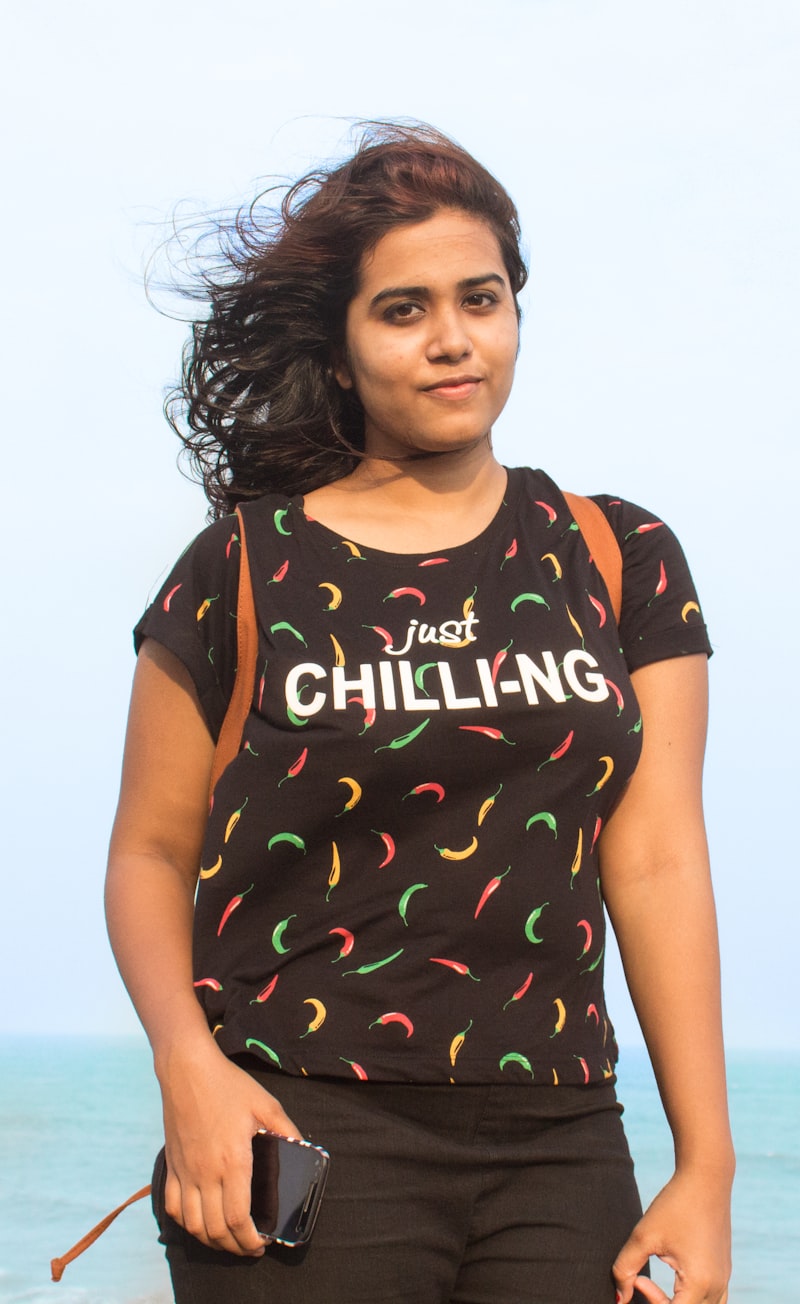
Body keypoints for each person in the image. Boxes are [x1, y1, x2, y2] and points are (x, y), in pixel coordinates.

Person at [105, 121, 734, 1304]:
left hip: (560, 1137)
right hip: (299, 1120)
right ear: (341, 352)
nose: (451, 338)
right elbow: (148, 850)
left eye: (478, 299)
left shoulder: (615, 554)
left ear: (514, 314)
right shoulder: (243, 567)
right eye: (402, 310)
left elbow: (656, 857)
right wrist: (186, 1066)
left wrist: (706, 1163)